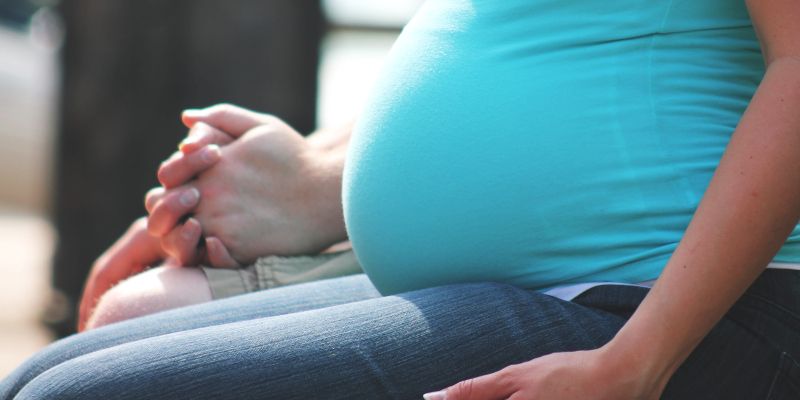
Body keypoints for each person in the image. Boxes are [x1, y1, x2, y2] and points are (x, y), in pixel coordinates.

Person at [3, 0, 800, 398]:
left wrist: (637, 363)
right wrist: (319, 174)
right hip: (554, 285)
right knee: (41, 378)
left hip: (656, 307)